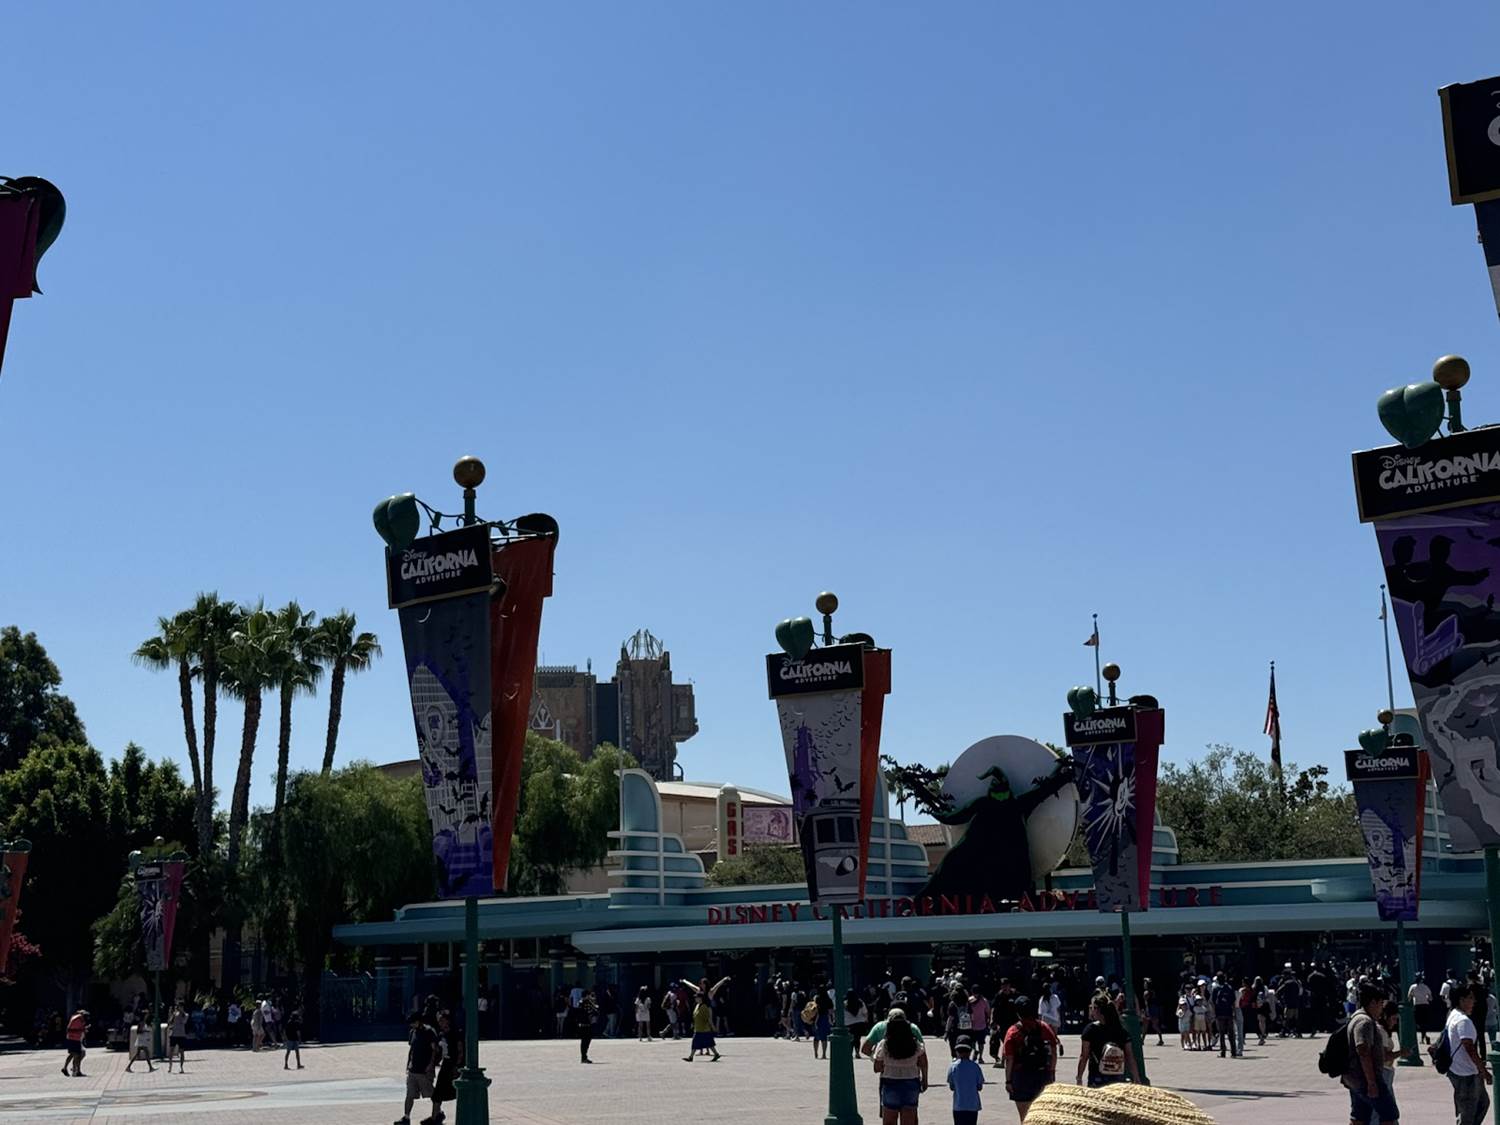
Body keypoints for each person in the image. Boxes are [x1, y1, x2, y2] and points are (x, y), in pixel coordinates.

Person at [1343, 983, 1398, 1125]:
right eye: (1380, 1004)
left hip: (1356, 1077)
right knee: (1389, 1114)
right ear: (1372, 1002)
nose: (1381, 1009)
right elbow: (1363, 1050)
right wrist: (1372, 1082)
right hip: (1366, 1078)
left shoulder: (1356, 1017)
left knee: (1360, 1116)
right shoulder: (1365, 1022)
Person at [1002, 995, 1057, 1120]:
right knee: (1042, 1116)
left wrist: (1008, 1081)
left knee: (1025, 1117)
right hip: (1042, 1075)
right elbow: (1053, 1051)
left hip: (1021, 1076)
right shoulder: (1044, 1027)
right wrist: (1052, 1072)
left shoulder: (1013, 1032)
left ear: (1017, 1013)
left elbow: (1009, 1059)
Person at [1446, 983, 1493, 1125]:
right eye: (1471, 998)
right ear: (1462, 1000)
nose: (1474, 1001)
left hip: (1460, 1070)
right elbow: (1470, 1048)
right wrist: (1484, 1071)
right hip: (1466, 1074)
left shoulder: (1453, 1015)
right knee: (1468, 1112)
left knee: (1482, 1103)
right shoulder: (1463, 1021)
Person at [874, 1009, 929, 1125]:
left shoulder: (884, 1044)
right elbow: (923, 1062)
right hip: (911, 1082)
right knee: (909, 1121)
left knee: (889, 1121)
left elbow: (877, 1068)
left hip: (890, 1082)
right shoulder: (915, 1043)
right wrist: (925, 1080)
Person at [1076, 994, 1139, 1088]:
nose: (1092, 1010)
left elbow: (1084, 1056)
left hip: (1097, 1076)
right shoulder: (1121, 1030)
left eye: (1093, 1008)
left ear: (1098, 1010)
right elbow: (1130, 1056)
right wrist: (1136, 1077)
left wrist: (1079, 1077)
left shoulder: (1090, 1029)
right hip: (1117, 1076)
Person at [395, 1011, 439, 1125]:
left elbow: (434, 1050)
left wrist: (431, 1065)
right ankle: (406, 1117)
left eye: (413, 1022)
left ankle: (438, 1114)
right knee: (409, 1094)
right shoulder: (413, 1032)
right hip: (413, 1069)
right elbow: (412, 1049)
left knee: (432, 1094)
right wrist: (408, 1064)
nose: (411, 1025)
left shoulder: (429, 1032)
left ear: (418, 1021)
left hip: (424, 1070)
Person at [948, 1036, 986, 1125]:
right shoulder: (975, 1067)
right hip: (973, 1105)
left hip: (958, 1105)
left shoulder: (953, 1067)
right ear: (970, 1051)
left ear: (956, 1051)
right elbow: (979, 1087)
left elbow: (952, 1087)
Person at [431, 1010, 460, 1122]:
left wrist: (457, 1066)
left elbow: (460, 1051)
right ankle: (435, 1116)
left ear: (448, 1021)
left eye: (442, 1020)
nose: (440, 1023)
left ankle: (437, 1116)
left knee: (457, 1091)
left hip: (453, 1065)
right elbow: (439, 1051)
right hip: (445, 1064)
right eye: (439, 1021)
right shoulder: (441, 1034)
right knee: (437, 1093)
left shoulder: (455, 1033)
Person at [683, 985, 723, 1063]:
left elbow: (708, 1018)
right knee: (707, 1043)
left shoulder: (704, 1007)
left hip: (703, 1029)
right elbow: (695, 1016)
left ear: (701, 998)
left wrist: (713, 1027)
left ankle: (691, 1057)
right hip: (698, 1028)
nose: (695, 998)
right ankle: (716, 1054)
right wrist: (693, 1023)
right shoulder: (697, 1006)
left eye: (697, 997)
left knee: (704, 1043)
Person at [1209, 973, 1238, 1058]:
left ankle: (1223, 1052)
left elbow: (1212, 1002)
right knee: (1231, 1033)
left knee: (1221, 1033)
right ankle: (1233, 1051)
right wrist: (1234, 1013)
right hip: (1229, 1013)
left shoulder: (1215, 989)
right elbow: (1233, 1001)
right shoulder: (1229, 988)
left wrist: (1214, 1013)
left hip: (1219, 1013)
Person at [61, 1009, 88, 1077]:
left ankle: (69, 1069)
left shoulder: (79, 1019)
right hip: (73, 1039)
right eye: (85, 1015)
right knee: (76, 1054)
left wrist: (83, 1029)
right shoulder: (77, 1019)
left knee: (74, 1054)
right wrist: (82, 1029)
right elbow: (70, 1029)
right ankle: (75, 1071)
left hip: (76, 1039)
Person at [1038, 989, 1064, 1058]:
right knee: (1054, 1035)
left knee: (1047, 1035)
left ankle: (1049, 1049)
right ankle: (1059, 1044)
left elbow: (1040, 1012)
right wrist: (1059, 1017)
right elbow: (1058, 1008)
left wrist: (1039, 1022)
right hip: (1055, 1018)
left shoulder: (1042, 999)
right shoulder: (1055, 997)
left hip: (1046, 1019)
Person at [576, 986, 598, 1063]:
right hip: (585, 1024)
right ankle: (584, 1057)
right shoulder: (585, 1002)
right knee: (585, 1041)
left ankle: (584, 1057)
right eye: (589, 995)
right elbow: (593, 1010)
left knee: (585, 1041)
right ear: (586, 995)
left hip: (584, 1024)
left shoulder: (582, 1002)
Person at [848, 990, 871, 1056]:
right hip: (859, 1023)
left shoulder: (845, 1003)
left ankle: (849, 1052)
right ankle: (857, 1052)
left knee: (850, 1039)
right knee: (857, 1039)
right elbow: (865, 1012)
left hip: (848, 1023)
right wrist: (866, 1019)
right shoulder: (860, 1002)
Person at [814, 983, 834, 1059]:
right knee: (824, 1037)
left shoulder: (817, 998)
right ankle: (824, 1054)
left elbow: (815, 1008)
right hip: (825, 1018)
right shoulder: (829, 1000)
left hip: (817, 1018)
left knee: (816, 1037)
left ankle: (816, 1052)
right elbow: (831, 1011)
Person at [283, 1006, 304, 1070]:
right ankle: (298, 1064)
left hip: (289, 1039)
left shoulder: (288, 1022)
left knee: (288, 1052)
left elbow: (285, 1031)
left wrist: (285, 1038)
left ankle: (286, 1064)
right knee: (297, 1052)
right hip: (295, 1039)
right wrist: (300, 1039)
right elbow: (298, 1032)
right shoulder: (296, 1023)